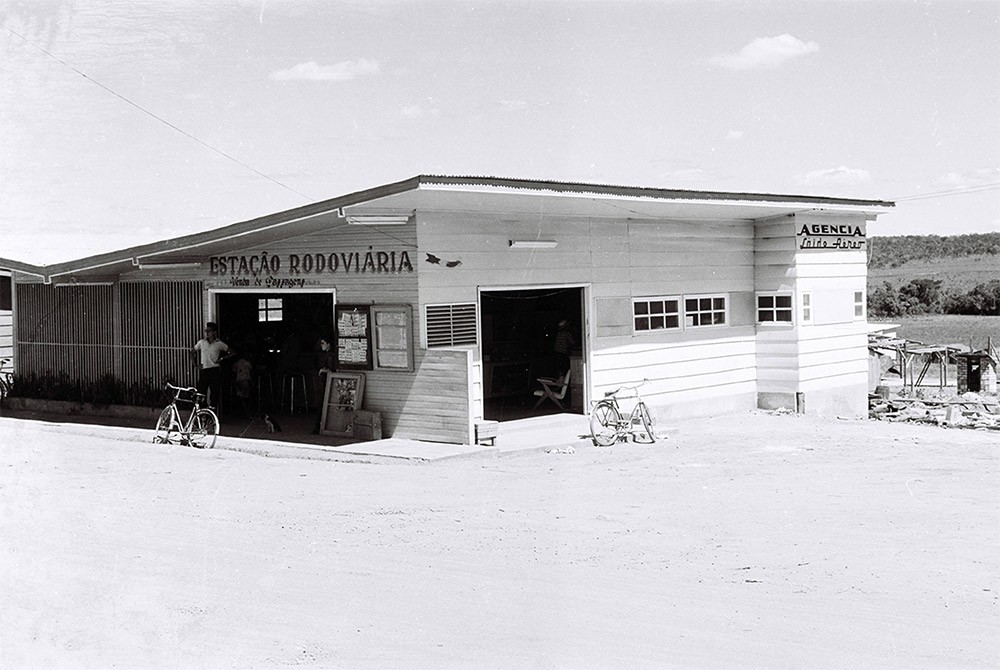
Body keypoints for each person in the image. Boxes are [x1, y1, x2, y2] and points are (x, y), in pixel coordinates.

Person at [192, 322, 233, 412]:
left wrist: (221, 358)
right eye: (206, 331)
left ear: (214, 332)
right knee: (201, 392)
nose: (207, 333)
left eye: (209, 331)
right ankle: (202, 414)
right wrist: (195, 364)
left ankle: (212, 414)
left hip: (214, 370)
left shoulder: (219, 343)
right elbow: (192, 351)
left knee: (214, 393)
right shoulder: (202, 342)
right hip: (205, 370)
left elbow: (232, 352)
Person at [312, 337, 336, 433]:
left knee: (321, 403)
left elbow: (331, 370)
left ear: (328, 344)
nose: (321, 345)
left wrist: (323, 370)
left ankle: (318, 427)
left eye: (323, 343)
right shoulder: (326, 354)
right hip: (324, 381)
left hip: (326, 381)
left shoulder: (330, 355)